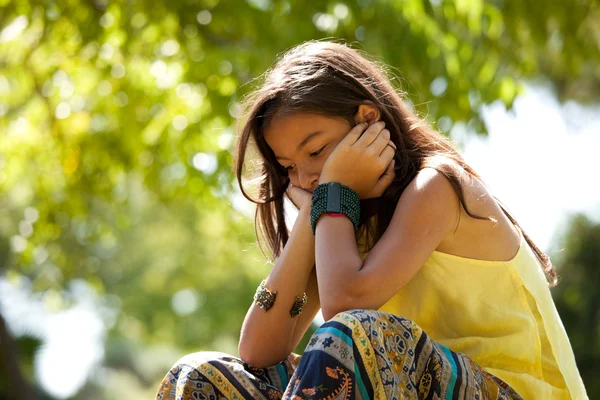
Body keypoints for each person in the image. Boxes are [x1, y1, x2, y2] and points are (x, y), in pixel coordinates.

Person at [154, 40, 588, 399]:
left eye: (316, 151)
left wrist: (333, 193)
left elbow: (347, 309)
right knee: (200, 378)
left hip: (512, 392)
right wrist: (315, 214)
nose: (304, 176)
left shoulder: (436, 185)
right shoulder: (341, 222)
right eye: (288, 166)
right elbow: (258, 349)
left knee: (350, 337)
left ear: (366, 119)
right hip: (400, 381)